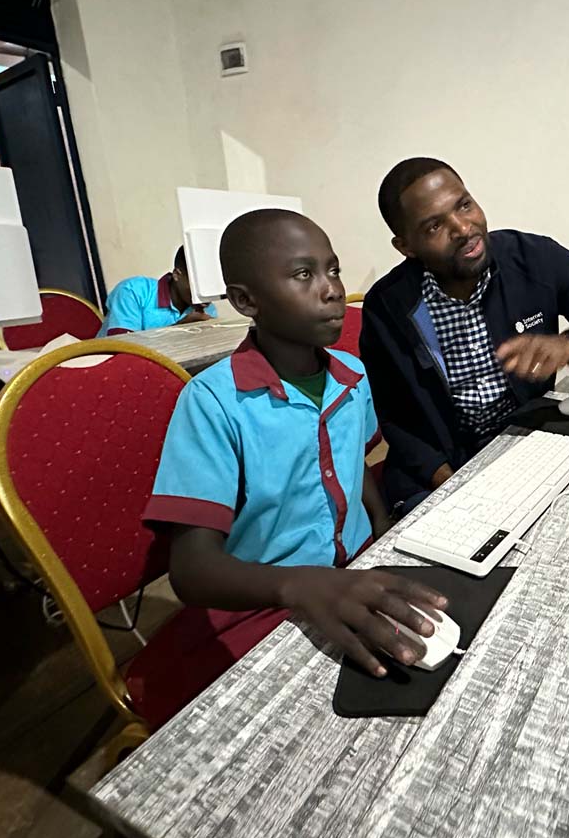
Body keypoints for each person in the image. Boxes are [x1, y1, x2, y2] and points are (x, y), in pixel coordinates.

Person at [142, 209, 448, 716]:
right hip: (266, 600)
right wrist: (298, 583)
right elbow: (192, 571)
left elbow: (354, 468)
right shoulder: (213, 401)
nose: (330, 289)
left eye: (333, 270)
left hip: (351, 574)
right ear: (245, 301)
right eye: (304, 275)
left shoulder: (351, 374)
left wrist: (384, 529)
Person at [361, 157, 569, 513]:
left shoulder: (533, 259)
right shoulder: (387, 307)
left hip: (526, 444)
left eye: (464, 205)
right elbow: (395, 419)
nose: (462, 228)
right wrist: (455, 487)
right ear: (406, 247)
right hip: (439, 472)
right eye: (434, 226)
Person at [97, 247, 218, 336]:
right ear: (177, 275)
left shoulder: (206, 307)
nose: (206, 294)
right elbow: (123, 348)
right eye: (198, 283)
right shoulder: (133, 291)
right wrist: (178, 329)